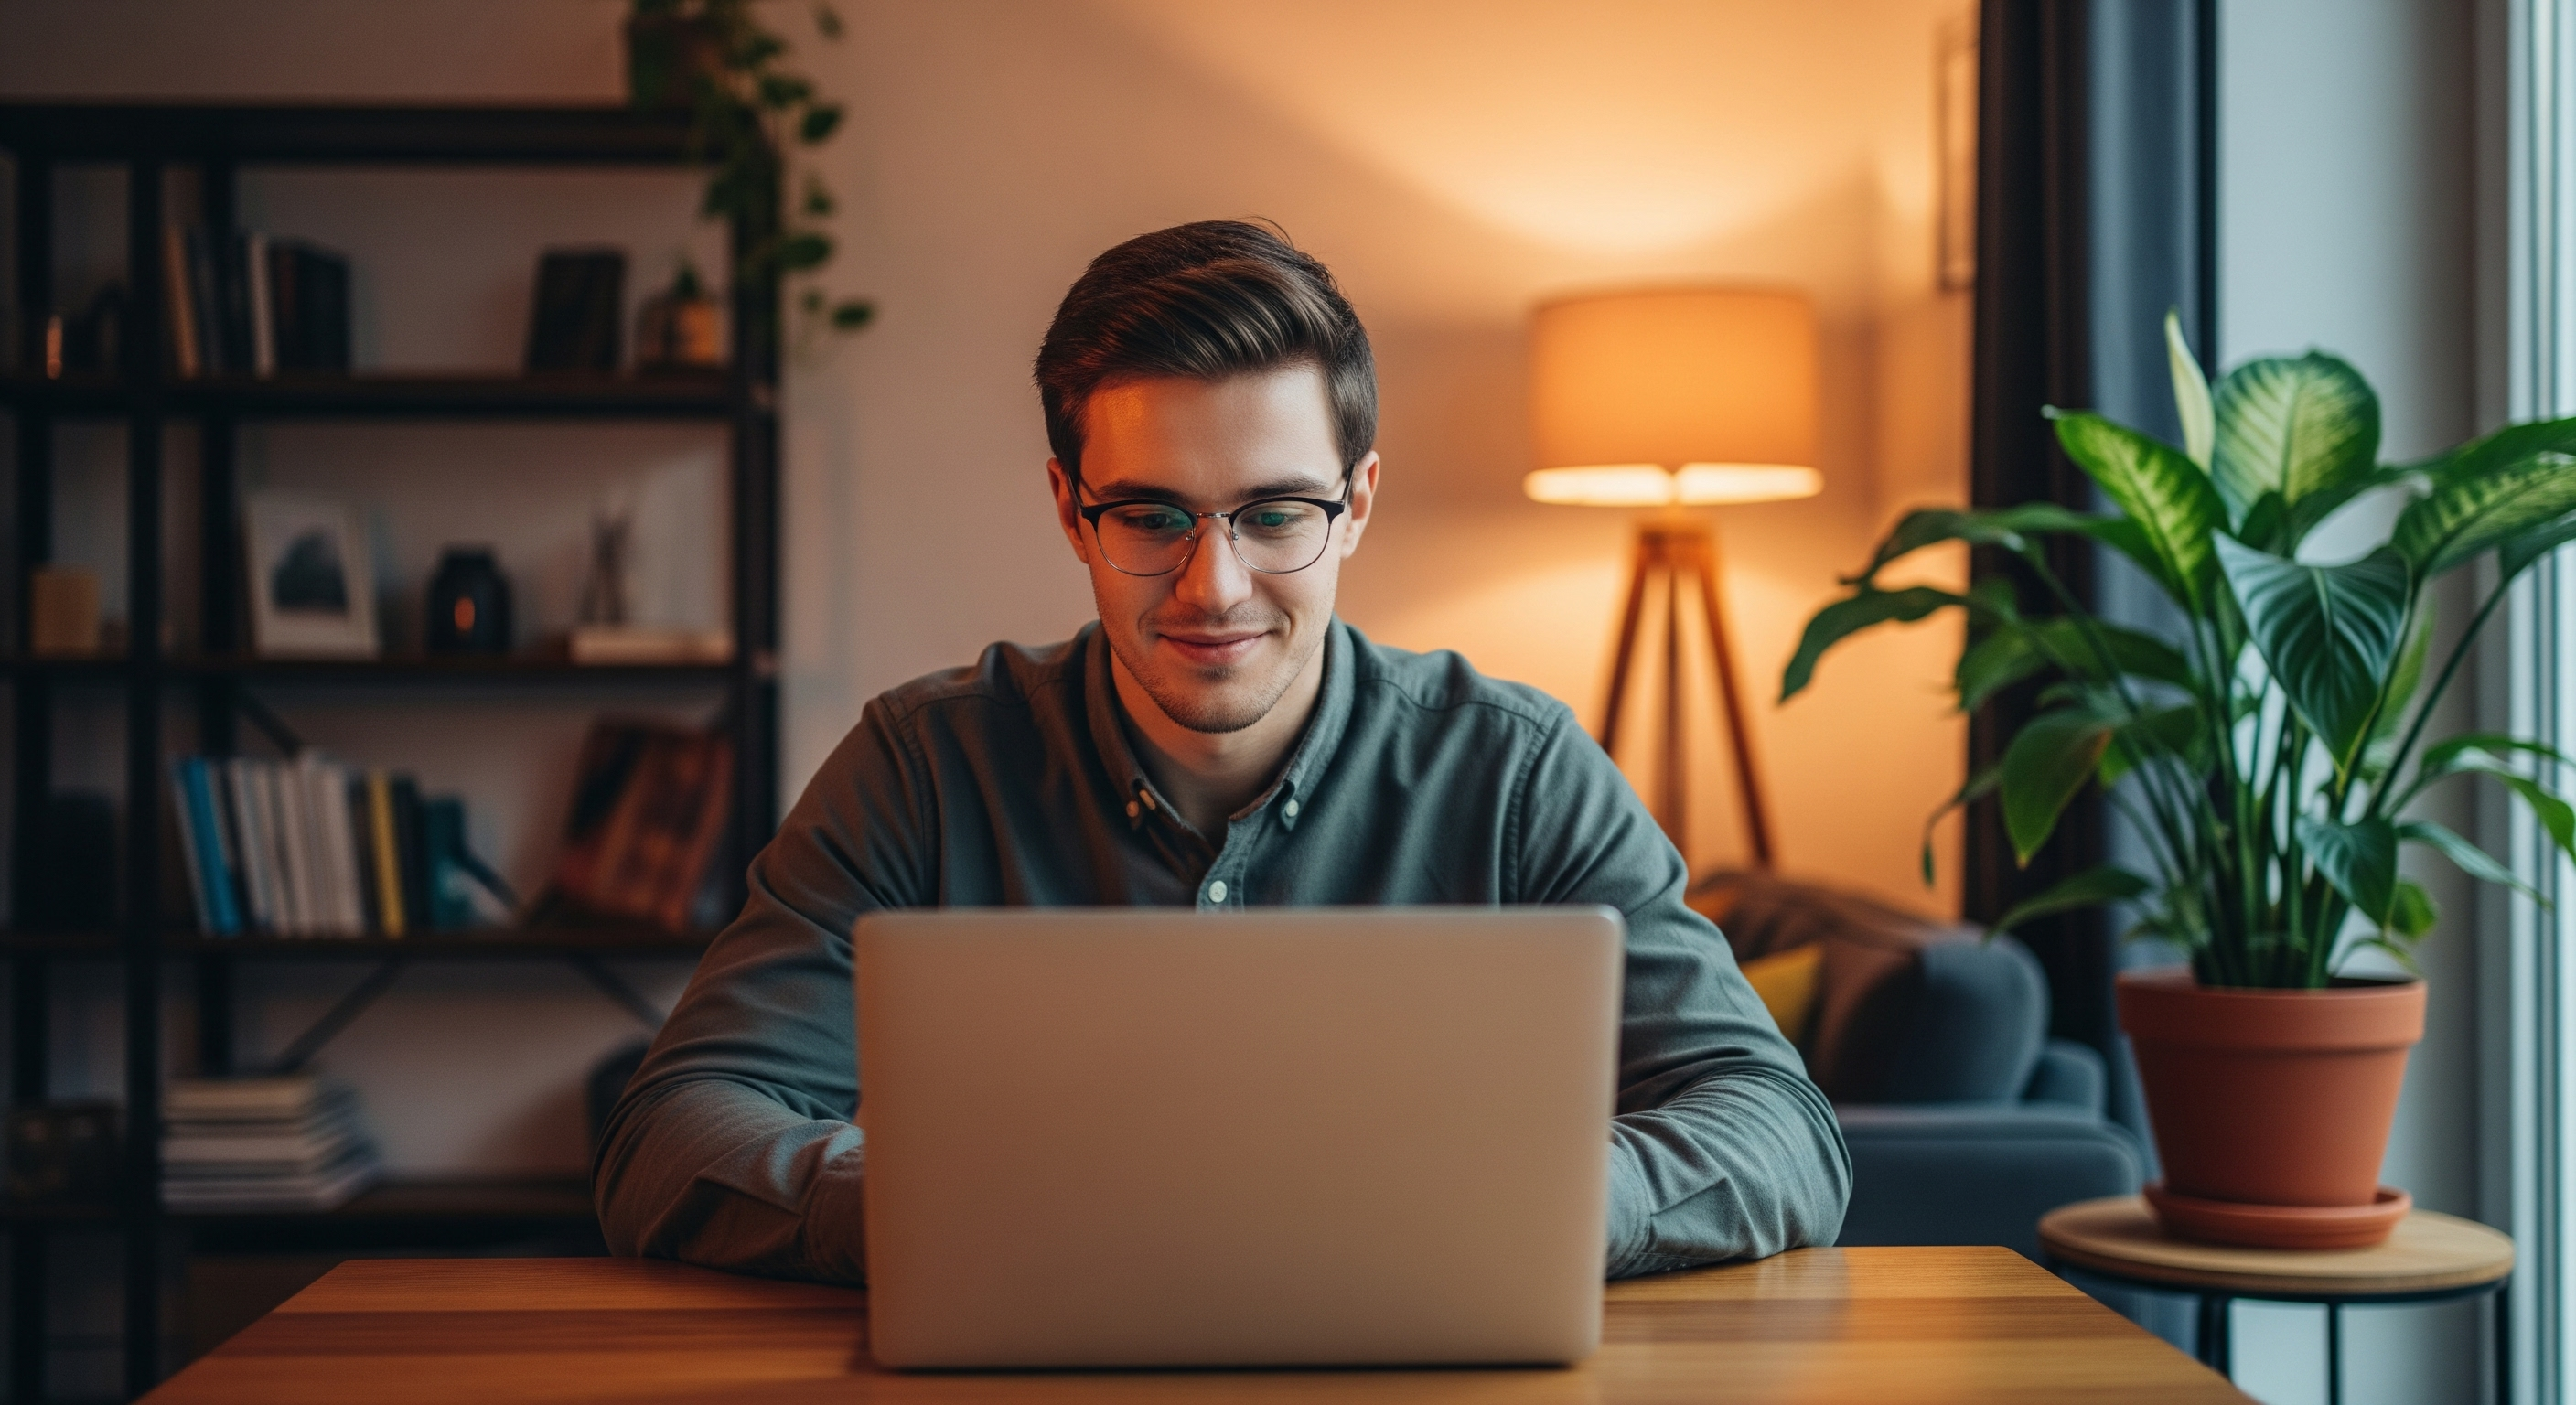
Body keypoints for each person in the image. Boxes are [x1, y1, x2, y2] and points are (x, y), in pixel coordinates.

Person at [594, 220, 1850, 1282]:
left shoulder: (1517, 771)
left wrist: (1524, 1213)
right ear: (1067, 508)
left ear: (1355, 503)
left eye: (1275, 514)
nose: (1215, 585)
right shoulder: (923, 768)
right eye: (1149, 514)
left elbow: (1781, 1130)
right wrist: (948, 1216)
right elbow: (669, 1134)